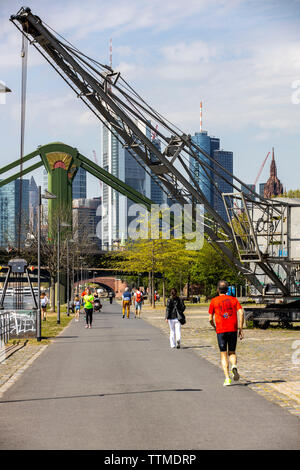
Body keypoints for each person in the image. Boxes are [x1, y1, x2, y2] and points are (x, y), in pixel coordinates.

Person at [209, 280, 244, 386]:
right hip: (232, 329)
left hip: (221, 330)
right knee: (232, 352)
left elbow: (210, 318)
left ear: (217, 289)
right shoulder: (234, 300)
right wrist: (240, 328)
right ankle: (234, 365)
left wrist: (214, 326)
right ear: (228, 289)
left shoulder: (214, 301)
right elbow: (241, 312)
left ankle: (227, 378)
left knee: (223, 354)